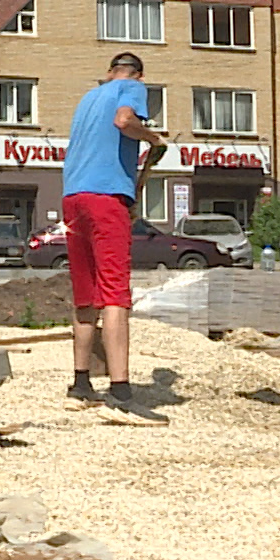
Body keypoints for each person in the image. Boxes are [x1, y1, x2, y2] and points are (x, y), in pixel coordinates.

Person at [60, 52, 169, 425]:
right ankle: (121, 390)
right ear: (138, 74)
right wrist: (152, 137)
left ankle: (80, 383)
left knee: (85, 293)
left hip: (74, 197)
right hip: (106, 197)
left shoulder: (88, 98)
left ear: (108, 71)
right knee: (114, 292)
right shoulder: (132, 88)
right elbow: (124, 121)